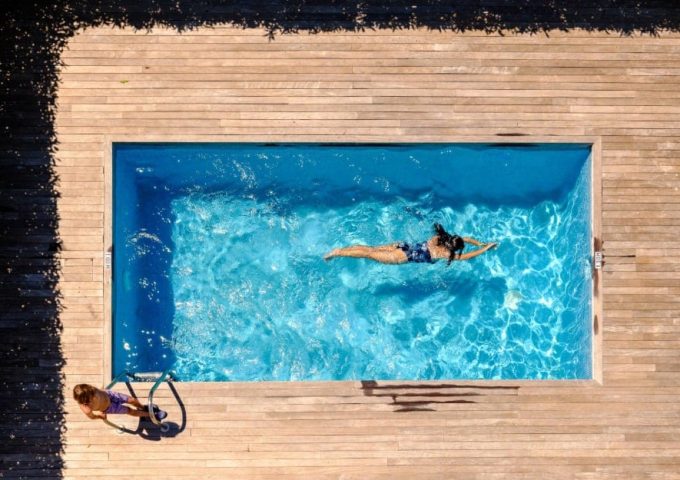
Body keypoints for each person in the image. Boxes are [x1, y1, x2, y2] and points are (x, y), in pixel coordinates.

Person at [324, 223, 497, 265]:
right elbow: (469, 255)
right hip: (402, 255)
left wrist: (482, 243)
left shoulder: (440, 238)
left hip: (402, 245)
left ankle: (341, 250)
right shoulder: (445, 254)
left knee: (372, 249)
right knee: (369, 254)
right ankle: (338, 252)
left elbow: (465, 238)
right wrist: (484, 248)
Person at [73, 384, 167, 421]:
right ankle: (152, 415)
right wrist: (100, 416)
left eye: (93, 393)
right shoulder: (86, 408)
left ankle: (143, 407)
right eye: (91, 397)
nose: (94, 395)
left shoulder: (91, 389)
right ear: (84, 400)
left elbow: (100, 389)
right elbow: (92, 417)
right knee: (130, 411)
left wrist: (103, 390)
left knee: (132, 400)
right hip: (109, 408)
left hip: (110, 395)